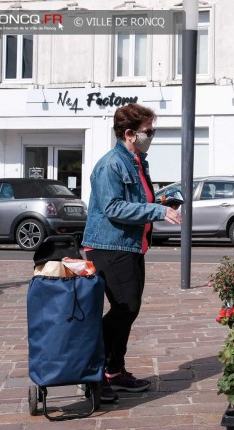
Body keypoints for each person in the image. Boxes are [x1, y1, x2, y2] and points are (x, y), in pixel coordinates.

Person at [82, 103, 181, 402]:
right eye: (149, 131)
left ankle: (114, 369)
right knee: (125, 308)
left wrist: (162, 202)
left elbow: (136, 200)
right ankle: (91, 370)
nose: (152, 135)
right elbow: (112, 208)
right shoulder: (111, 164)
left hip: (130, 245)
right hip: (108, 246)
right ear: (129, 133)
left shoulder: (138, 161)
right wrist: (157, 210)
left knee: (129, 309)